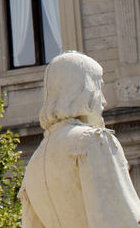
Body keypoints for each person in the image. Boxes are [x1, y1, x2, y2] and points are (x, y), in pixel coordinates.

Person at [20, 51, 140, 228]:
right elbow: (120, 219)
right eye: (99, 87)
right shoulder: (93, 141)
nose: (104, 101)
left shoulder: (34, 163)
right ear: (84, 91)